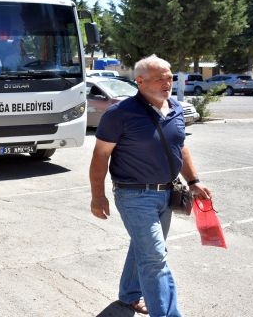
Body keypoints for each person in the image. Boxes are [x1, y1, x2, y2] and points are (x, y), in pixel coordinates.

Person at [89, 54, 212, 316]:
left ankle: (130, 294)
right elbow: (100, 156)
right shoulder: (120, 114)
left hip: (167, 194)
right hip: (134, 195)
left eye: (169, 77)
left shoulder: (176, 108)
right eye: (160, 78)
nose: (167, 82)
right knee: (155, 257)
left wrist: (194, 181)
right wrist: (97, 196)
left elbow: (181, 147)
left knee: (144, 248)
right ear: (140, 81)